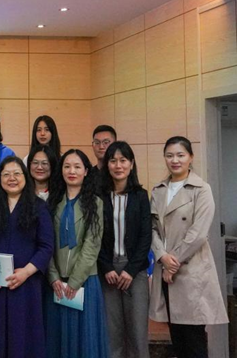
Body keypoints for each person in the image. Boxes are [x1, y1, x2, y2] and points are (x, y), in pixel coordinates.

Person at [149, 136, 228, 358]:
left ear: (190, 157)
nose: (175, 160)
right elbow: (151, 229)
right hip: (166, 273)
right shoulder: (158, 190)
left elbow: (198, 234)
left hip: (191, 272)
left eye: (180, 155)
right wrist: (162, 257)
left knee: (194, 341)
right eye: (169, 155)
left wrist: (172, 263)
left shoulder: (201, 189)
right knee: (178, 340)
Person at [0, 157, 54, 358]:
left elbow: (46, 247)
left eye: (17, 173)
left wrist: (26, 272)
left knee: (23, 335)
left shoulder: (38, 206)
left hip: (26, 284)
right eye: (6, 174)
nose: (12, 178)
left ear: (25, 177)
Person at [46, 149, 109, 358]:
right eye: (67, 166)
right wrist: (53, 276)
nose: (71, 171)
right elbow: (46, 243)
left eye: (77, 167)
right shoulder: (53, 202)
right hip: (56, 284)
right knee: (58, 339)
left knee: (84, 341)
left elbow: (92, 245)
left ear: (86, 171)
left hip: (84, 282)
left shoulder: (95, 203)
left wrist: (74, 281)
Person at [97, 142, 151, 358]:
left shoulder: (140, 196)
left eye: (123, 160)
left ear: (131, 163)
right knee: (112, 333)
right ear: (107, 165)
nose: (118, 165)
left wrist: (131, 270)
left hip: (134, 271)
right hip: (107, 272)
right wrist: (106, 267)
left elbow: (145, 236)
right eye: (113, 160)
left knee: (137, 332)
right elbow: (94, 236)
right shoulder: (99, 196)